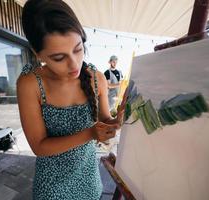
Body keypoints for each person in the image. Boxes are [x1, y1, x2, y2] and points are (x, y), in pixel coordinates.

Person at [17, 1, 125, 199]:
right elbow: (39, 147)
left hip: (89, 179)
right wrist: (91, 133)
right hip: (52, 186)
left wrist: (117, 121)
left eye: (78, 49)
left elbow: (104, 120)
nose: (74, 64)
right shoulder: (31, 84)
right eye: (59, 57)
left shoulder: (96, 78)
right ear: (36, 52)